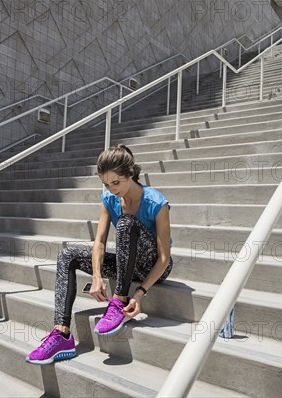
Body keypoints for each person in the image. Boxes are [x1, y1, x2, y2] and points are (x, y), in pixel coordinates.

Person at [25, 144, 173, 365]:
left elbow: (163, 258)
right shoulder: (109, 199)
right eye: (106, 184)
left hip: (154, 266)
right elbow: (100, 243)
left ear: (130, 173)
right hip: (128, 263)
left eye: (116, 182)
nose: (111, 189)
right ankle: (61, 334)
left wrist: (139, 294)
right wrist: (96, 276)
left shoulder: (155, 202)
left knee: (126, 223)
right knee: (68, 254)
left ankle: (119, 303)